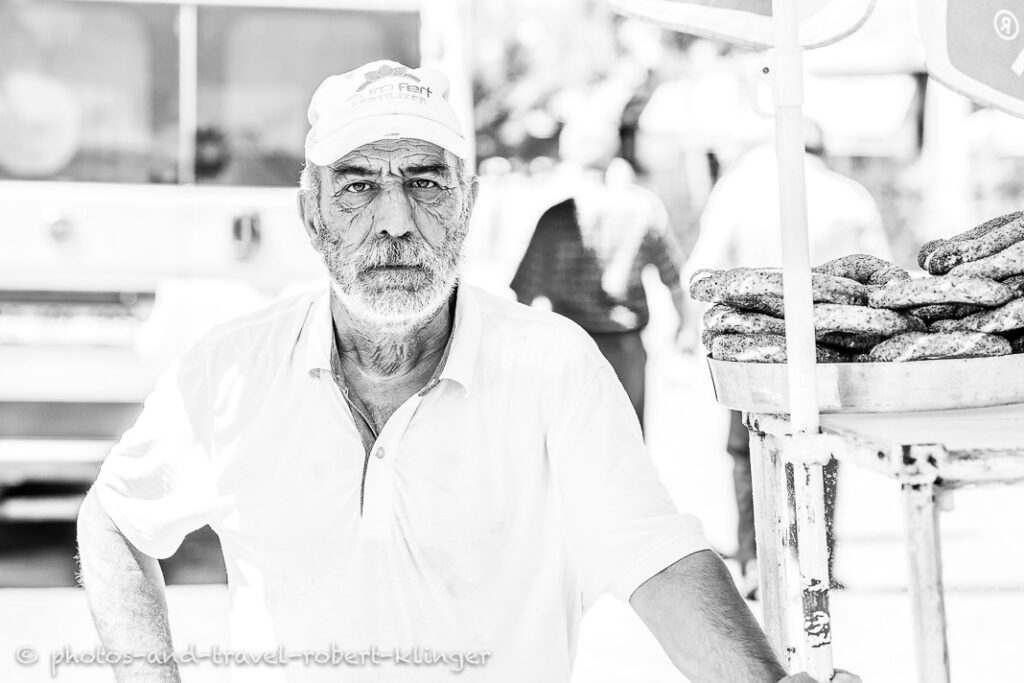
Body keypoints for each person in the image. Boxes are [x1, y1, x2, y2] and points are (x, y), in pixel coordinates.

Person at [77, 60, 860, 683]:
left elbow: (655, 558)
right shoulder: (232, 369)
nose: (394, 219)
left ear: (467, 204)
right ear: (312, 212)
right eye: (358, 186)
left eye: (424, 182)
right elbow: (114, 517)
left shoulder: (550, 367)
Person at [686, 123, 893, 599]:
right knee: (819, 449)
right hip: (827, 349)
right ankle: (818, 561)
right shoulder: (849, 195)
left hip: (751, 350)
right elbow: (882, 276)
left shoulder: (737, 189)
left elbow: (703, 268)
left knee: (748, 452)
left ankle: (757, 561)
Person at [509, 117, 688, 429]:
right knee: (628, 444)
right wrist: (684, 326)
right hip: (626, 347)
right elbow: (673, 279)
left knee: (574, 445)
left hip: (569, 348)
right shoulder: (641, 208)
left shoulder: (555, 216)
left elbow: (523, 294)